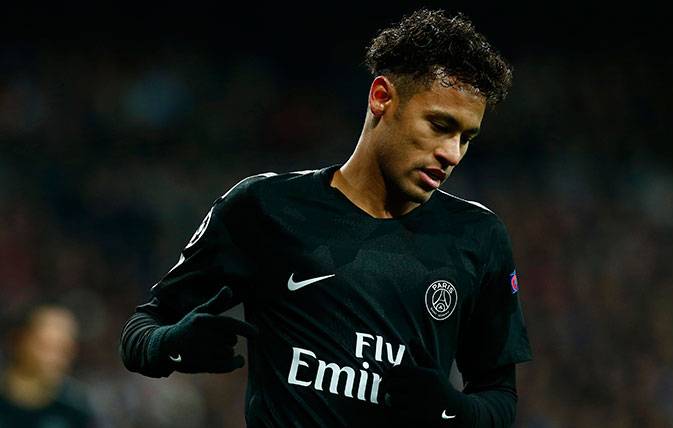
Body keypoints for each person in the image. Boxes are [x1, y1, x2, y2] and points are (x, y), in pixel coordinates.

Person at [120, 8, 532, 427]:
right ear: (382, 98)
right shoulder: (265, 207)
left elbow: (498, 396)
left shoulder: (478, 237)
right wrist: (167, 345)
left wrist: (454, 411)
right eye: (440, 125)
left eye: (466, 137)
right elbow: (142, 328)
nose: (452, 153)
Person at [0, 303, 94, 428]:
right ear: (19, 340)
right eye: (45, 347)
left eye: (64, 349)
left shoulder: (77, 408)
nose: (54, 359)